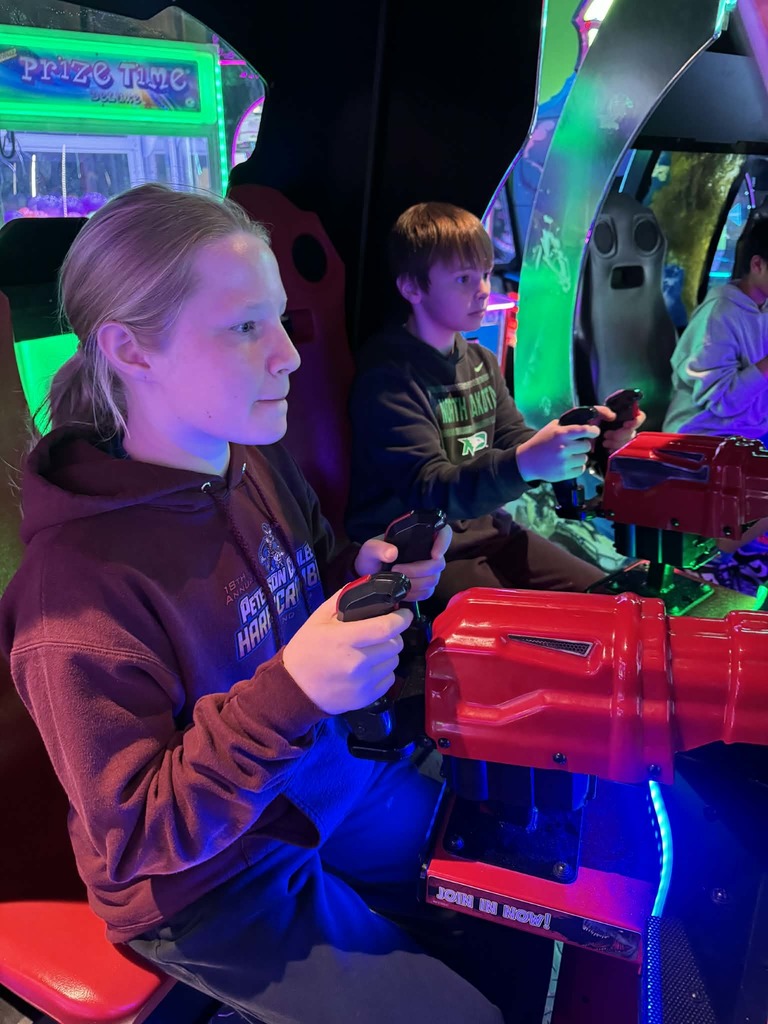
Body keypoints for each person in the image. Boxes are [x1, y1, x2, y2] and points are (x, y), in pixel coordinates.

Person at [0, 183, 547, 1024]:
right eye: (245, 326)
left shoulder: (251, 458)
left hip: (318, 782)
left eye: (280, 319)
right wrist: (297, 688)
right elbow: (141, 834)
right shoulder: (72, 592)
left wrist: (358, 576)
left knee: (525, 892)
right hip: (209, 880)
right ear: (131, 351)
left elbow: (300, 578)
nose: (290, 354)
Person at [345, 201, 644, 609]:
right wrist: (525, 462)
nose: (484, 289)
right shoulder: (389, 378)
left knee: (613, 602)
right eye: (464, 278)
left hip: (489, 528)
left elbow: (513, 438)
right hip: (428, 554)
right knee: (543, 634)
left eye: (485, 274)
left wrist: (588, 438)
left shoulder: (479, 361)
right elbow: (429, 489)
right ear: (412, 288)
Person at [663, 217, 768, 441]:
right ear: (757, 264)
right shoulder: (720, 314)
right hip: (702, 440)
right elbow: (722, 401)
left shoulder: (762, 308)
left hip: (750, 436)